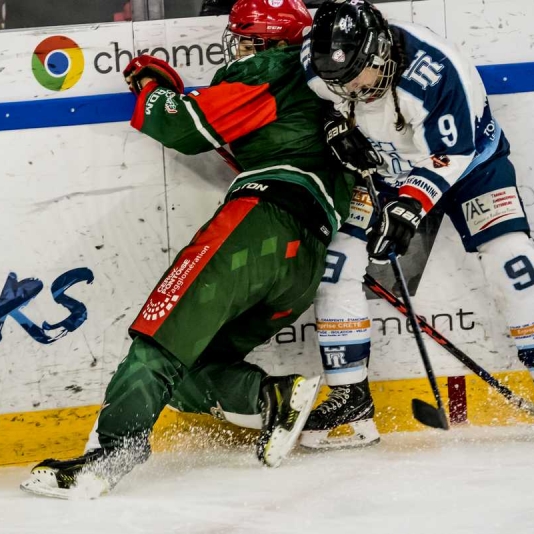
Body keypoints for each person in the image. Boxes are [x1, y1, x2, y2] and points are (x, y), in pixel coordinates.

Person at [20, 0, 356, 499]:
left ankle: (111, 453)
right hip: (305, 263)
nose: (237, 47)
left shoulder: (271, 70)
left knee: (163, 332)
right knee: (187, 370)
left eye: (244, 37)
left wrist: (151, 87)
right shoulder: (317, 87)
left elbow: (182, 126)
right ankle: (272, 395)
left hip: (257, 227)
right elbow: (235, 130)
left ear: (265, 42)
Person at [299, 0, 534, 447]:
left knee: (513, 259)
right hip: (384, 169)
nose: (355, 91)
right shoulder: (318, 63)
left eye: (360, 77)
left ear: (381, 50)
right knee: (337, 263)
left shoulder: (438, 73)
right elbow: (323, 104)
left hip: (469, 165)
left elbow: (450, 156)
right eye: (341, 84)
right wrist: (334, 128)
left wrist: (409, 207)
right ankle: (351, 398)